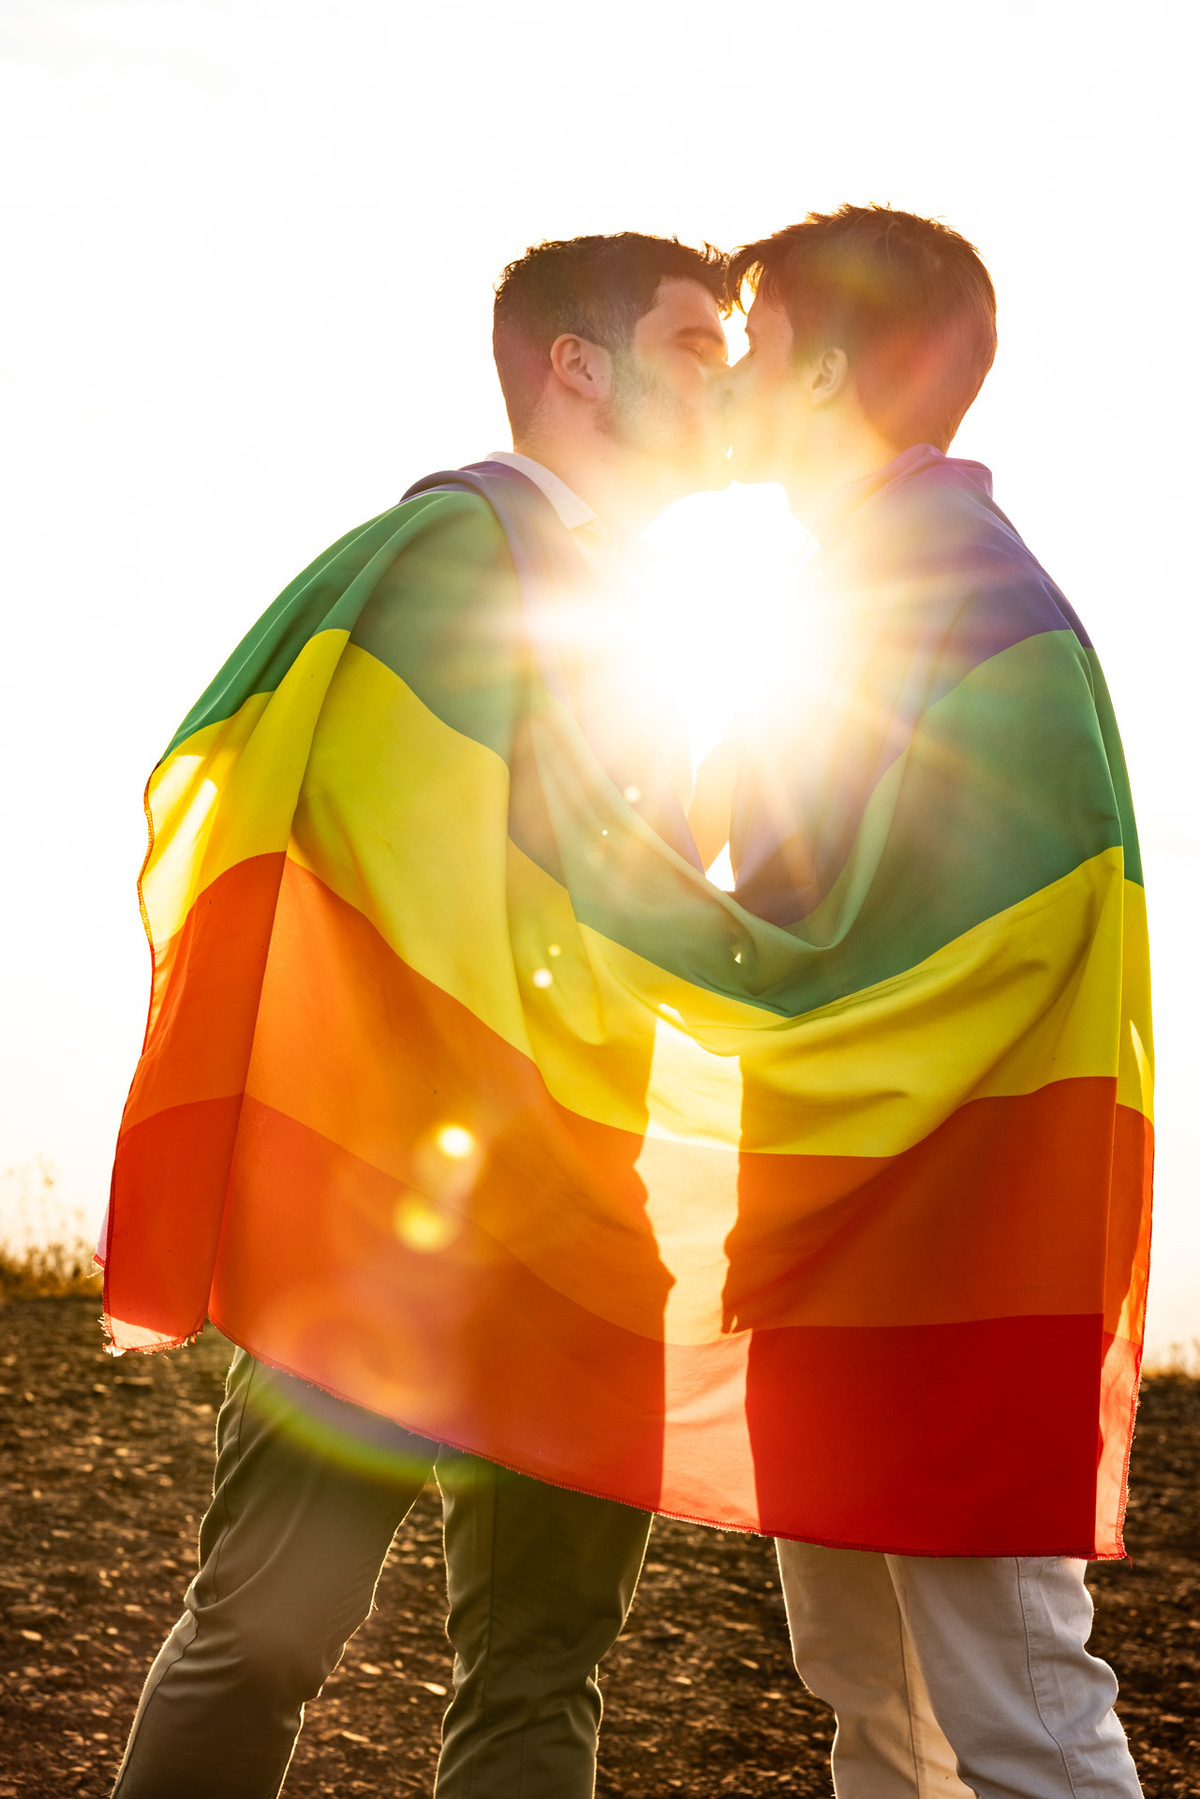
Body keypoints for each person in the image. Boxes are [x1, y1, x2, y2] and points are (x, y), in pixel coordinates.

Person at [108, 231, 729, 1799]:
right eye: (696, 349)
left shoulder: (670, 620)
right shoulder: (443, 554)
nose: (727, 386)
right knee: (263, 1640)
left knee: (539, 1679)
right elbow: (314, 828)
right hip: (389, 1211)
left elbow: (649, 890)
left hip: (582, 1220)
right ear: (579, 368)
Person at [702, 205, 1146, 1799]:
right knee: (868, 1703)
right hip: (838, 1233)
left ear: (823, 368)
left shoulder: (969, 596)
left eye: (750, 347)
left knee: (1017, 1704)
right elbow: (789, 907)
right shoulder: (848, 589)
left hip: (952, 1243)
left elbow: (1002, 945)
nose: (732, 379)